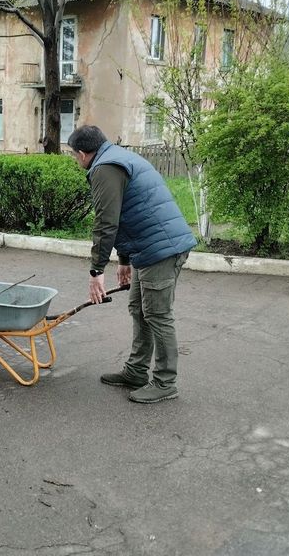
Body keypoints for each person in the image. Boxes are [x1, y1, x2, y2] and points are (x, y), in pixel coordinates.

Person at [68, 125, 196, 404]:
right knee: (140, 308)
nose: (76, 161)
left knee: (158, 315)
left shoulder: (105, 168)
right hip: (149, 248)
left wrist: (96, 271)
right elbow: (127, 212)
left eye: (74, 156)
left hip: (160, 249)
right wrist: (125, 261)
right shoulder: (116, 157)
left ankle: (165, 382)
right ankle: (137, 371)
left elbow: (106, 222)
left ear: (81, 153)